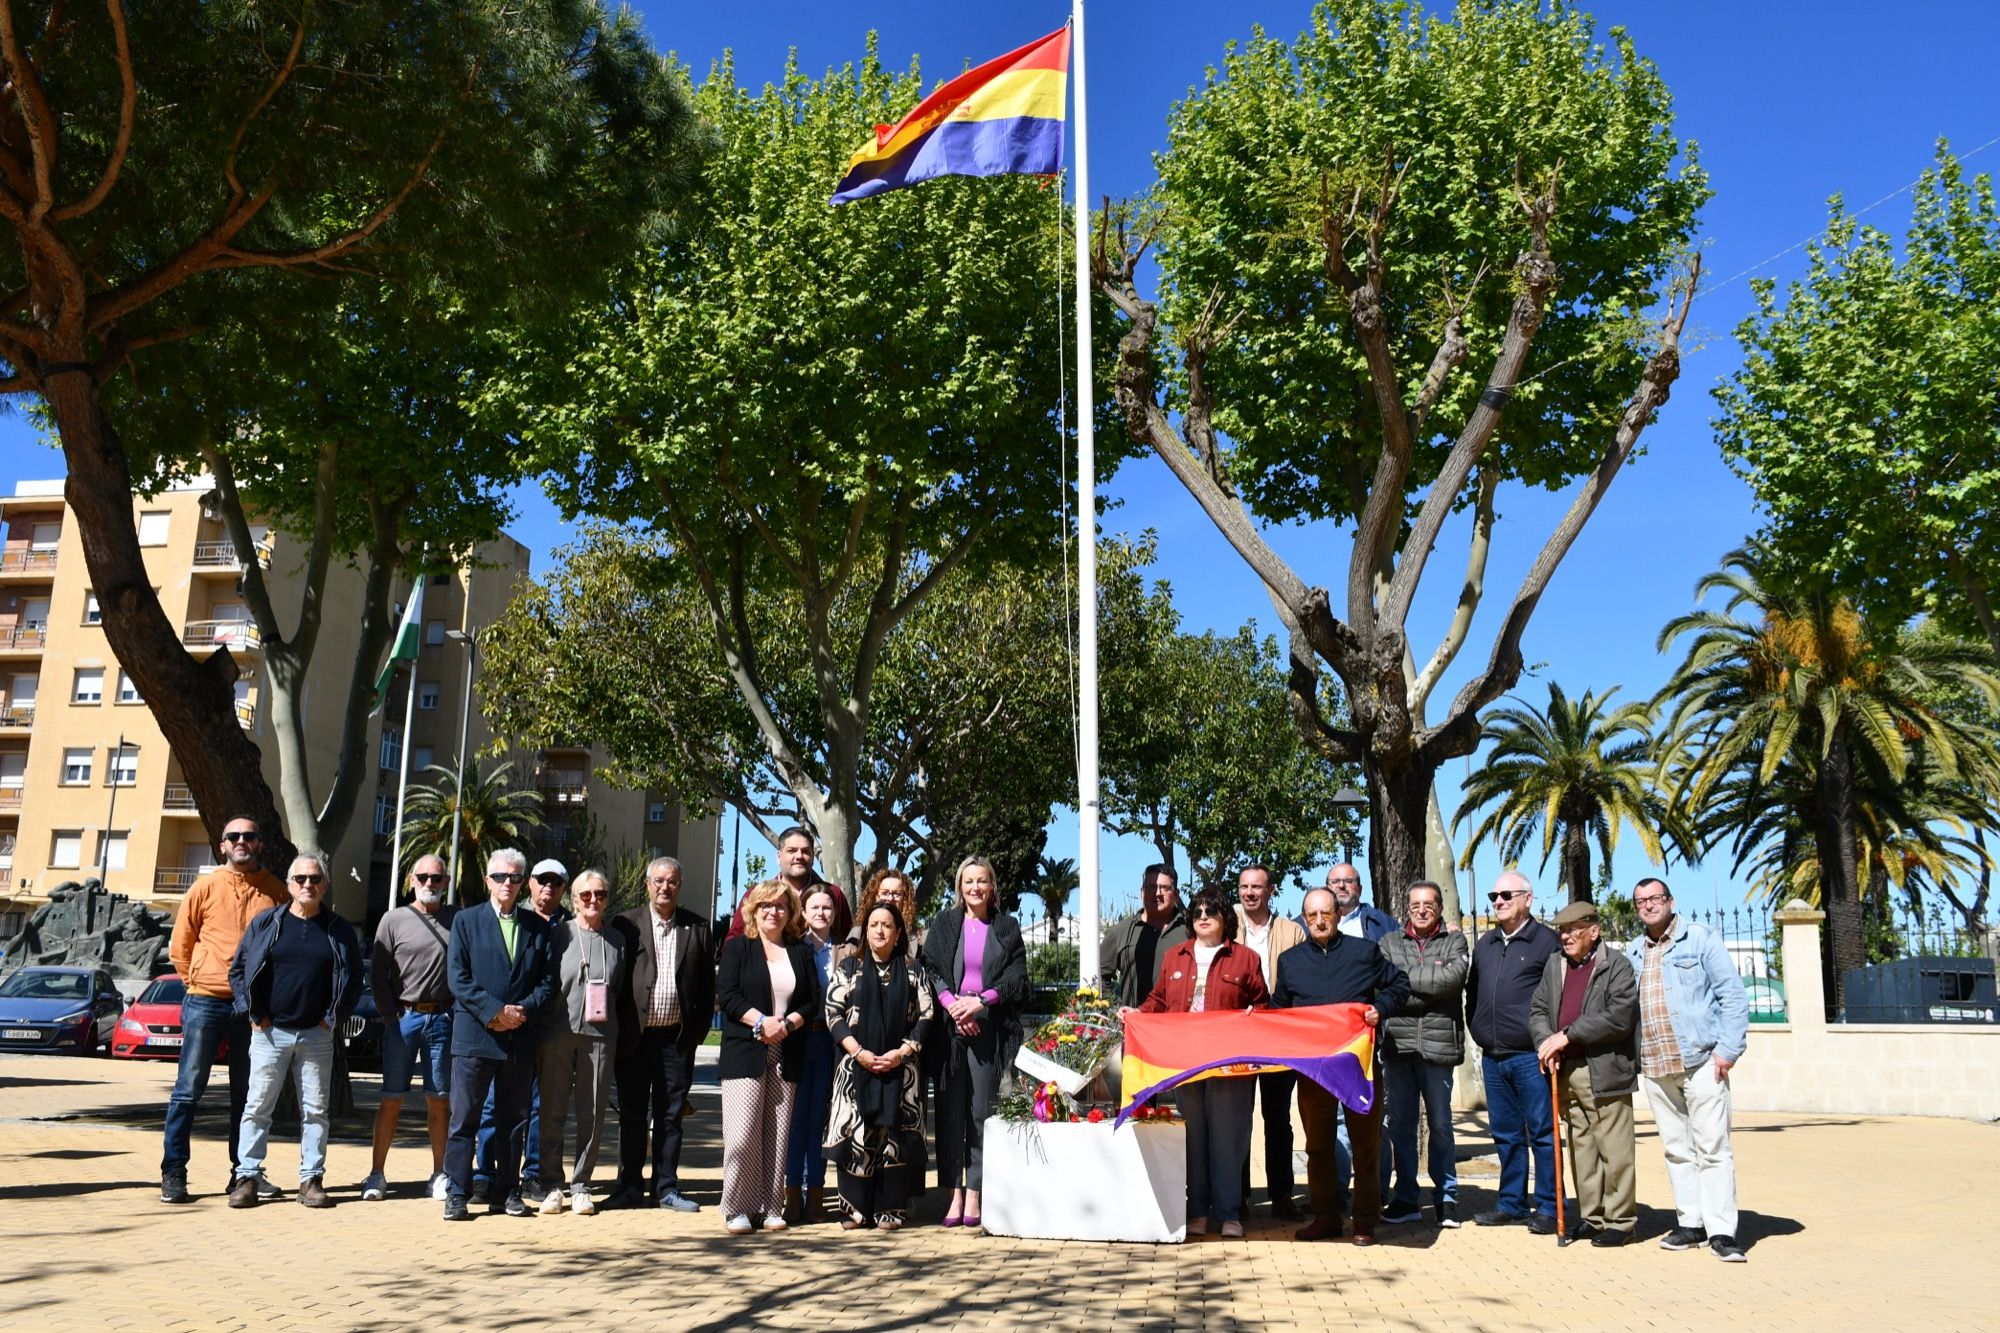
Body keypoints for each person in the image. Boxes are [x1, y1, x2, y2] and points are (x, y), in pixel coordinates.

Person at [160, 816, 287, 1205]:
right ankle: (174, 1173)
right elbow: (180, 946)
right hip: (206, 1000)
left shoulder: (276, 892)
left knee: (248, 1095)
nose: (241, 842)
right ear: (223, 845)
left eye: (249, 836)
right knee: (187, 1090)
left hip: (253, 1007)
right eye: (233, 836)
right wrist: (198, 980)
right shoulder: (205, 887)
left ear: (260, 844)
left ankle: (243, 1173)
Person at [1271, 886, 1409, 1245]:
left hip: (1356, 1067)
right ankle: (1326, 1217)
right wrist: (1259, 1020)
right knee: (1317, 1147)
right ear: (1304, 918)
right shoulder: (1290, 960)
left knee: (1365, 1146)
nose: (1319, 921)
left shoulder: (1364, 952)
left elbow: (1400, 983)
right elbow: (1279, 1010)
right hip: (1314, 1071)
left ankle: (1364, 1219)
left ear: (1337, 915)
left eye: (1326, 913)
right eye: (1312, 915)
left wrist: (1383, 1009)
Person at [225, 853, 364, 1209]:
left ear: (325, 885)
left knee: (316, 1110)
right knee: (256, 1107)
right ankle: (248, 1177)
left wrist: (332, 1019)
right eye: (300, 879)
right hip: (270, 1033)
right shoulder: (267, 923)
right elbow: (239, 970)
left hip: (317, 1035)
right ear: (289, 884)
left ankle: (311, 1179)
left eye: (315, 879)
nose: (308, 885)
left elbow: (353, 981)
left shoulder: (339, 930)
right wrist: (252, 1013)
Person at [1622, 877, 1750, 1262]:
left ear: (1670, 901)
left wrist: (1727, 1051)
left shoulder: (1699, 939)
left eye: (1654, 898)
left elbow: (1732, 995)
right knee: (1677, 1149)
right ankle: (1690, 1223)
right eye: (1641, 901)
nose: (1648, 905)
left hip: (1701, 1062)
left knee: (1713, 1148)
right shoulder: (1634, 951)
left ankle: (1722, 1231)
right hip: (1657, 1066)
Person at [1132, 885, 1268, 1239]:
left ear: (1226, 918)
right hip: (1184, 1061)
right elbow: (1157, 1000)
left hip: (1229, 1063)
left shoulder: (1246, 959)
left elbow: (1263, 1004)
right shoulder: (1175, 956)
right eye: (1197, 913)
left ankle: (1229, 1214)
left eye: (1211, 911)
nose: (1204, 917)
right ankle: (1197, 1212)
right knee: (1193, 1138)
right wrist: (1137, 1014)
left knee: (1228, 1137)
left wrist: (1257, 1014)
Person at [442, 849, 554, 1221]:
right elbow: (458, 977)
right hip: (475, 1036)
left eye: (516, 877)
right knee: (465, 1119)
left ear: (524, 884)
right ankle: (457, 1192)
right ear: (488, 880)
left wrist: (522, 1011)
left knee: (514, 1119)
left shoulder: (537, 927)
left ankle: (507, 1192)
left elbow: (547, 982)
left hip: (518, 1038)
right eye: (501, 876)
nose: (508, 883)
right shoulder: (466, 920)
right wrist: (494, 1012)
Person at [921, 855, 1027, 1230]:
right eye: (969, 881)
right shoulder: (945, 923)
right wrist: (953, 1006)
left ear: (992, 886)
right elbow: (930, 966)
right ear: (959, 887)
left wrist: (981, 1003)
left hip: (987, 1030)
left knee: (979, 1114)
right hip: (949, 1031)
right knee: (950, 1114)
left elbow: (1016, 975)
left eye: (982, 881)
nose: (975, 888)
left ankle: (977, 1191)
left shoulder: (1006, 926)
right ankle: (954, 1192)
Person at [717, 880, 823, 1234]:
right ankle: (736, 1207)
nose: (773, 911)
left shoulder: (799, 952)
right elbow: (728, 996)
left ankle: (769, 1206)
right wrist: (761, 1023)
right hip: (745, 1047)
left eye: (780, 906)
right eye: (766, 905)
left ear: (790, 912)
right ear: (753, 910)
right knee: (743, 1131)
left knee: (778, 1133)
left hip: (786, 1048)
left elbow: (812, 999)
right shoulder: (738, 949)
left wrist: (788, 1024)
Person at [609, 855, 714, 1212]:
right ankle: (629, 1187)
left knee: (670, 1116)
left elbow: (705, 989)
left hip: (675, 1040)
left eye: (671, 881)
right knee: (632, 1114)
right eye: (658, 881)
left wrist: (694, 1037)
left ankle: (666, 1187)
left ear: (679, 886)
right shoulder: (626, 924)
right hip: (635, 1038)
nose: (664, 887)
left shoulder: (697, 927)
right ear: (647, 885)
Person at [1532, 901, 1639, 1246]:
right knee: (1582, 1147)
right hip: (1566, 1070)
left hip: (1605, 1068)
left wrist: (1568, 1034)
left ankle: (1620, 1221)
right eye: (1562, 930)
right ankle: (1592, 1217)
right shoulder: (1554, 965)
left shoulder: (1616, 966)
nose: (1565, 936)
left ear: (1594, 932)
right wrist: (1546, 1042)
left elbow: (1619, 1017)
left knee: (1615, 1148)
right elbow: (1537, 1009)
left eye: (1573, 930)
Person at [824, 902, 935, 1230]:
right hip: (856, 1065)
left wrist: (903, 1051)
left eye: (887, 925)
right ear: (865, 930)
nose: (880, 931)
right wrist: (857, 1051)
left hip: (901, 1067)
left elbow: (928, 1014)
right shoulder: (849, 968)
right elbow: (832, 1012)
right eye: (874, 925)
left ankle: (891, 1208)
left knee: (894, 1136)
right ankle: (855, 1210)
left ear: (898, 932)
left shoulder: (914, 970)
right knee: (858, 1134)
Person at [1467, 869, 1561, 1233]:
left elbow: (1558, 996)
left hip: (1531, 1056)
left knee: (1542, 1133)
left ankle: (1551, 1207)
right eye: (1494, 897)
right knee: (1505, 1134)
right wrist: (1477, 1029)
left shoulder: (1546, 942)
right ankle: (1511, 1203)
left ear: (1528, 899)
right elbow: (1473, 992)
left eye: (1507, 895)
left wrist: (1549, 1040)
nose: (1499, 902)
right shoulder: (1485, 944)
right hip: (1493, 1056)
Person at [473, 857, 570, 1202]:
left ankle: (531, 1174)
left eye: (555, 883)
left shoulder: (569, 927)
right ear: (529, 883)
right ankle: (484, 1174)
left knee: (537, 1106)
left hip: (550, 1031)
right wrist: (504, 1013)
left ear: (563, 889)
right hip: (503, 1027)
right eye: (541, 880)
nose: (548, 887)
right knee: (490, 1105)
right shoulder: (512, 916)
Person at [363, 854, 457, 1203]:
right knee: (391, 1100)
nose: (430, 883)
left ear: (446, 882)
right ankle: (376, 1174)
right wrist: (391, 1016)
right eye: (423, 877)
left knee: (440, 1101)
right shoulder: (393, 920)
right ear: (412, 881)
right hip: (403, 1019)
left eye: (437, 877)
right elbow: (378, 973)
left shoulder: (456, 919)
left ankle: (439, 1173)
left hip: (443, 1021)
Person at [1376, 880, 1469, 1228]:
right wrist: (1431, 986)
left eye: (1428, 904)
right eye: (1415, 904)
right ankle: (1406, 1197)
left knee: (1441, 1125)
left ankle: (1446, 1197)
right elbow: (1385, 985)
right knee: (1400, 1125)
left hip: (1438, 1049)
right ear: (1407, 908)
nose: (1421, 910)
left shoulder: (1455, 940)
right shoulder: (1388, 943)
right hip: (1398, 1048)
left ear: (1440, 907)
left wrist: (1405, 982)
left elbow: (1453, 982)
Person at [535, 868, 627, 1216]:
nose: (593, 901)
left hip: (601, 1035)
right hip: (557, 1033)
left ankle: (582, 1184)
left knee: (592, 1111)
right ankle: (552, 1183)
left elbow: (618, 987)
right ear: (573, 900)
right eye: (585, 895)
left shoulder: (618, 939)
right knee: (552, 1111)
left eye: (599, 895)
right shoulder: (558, 934)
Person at [1234, 863, 1305, 1218]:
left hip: (1279, 1037)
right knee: (1238, 1118)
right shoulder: (1226, 925)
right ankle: (1239, 1197)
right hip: (1237, 1038)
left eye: (1257, 887)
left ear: (1270, 890)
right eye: (1244, 886)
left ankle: (1281, 1195)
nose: (1250, 893)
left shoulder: (1292, 931)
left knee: (1278, 1119)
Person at [783, 885, 841, 1224]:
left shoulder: (847, 950)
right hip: (799, 1040)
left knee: (820, 1121)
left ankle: (816, 1193)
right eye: (814, 907)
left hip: (831, 1042)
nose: (821, 912)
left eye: (827, 907)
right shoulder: (792, 948)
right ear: (803, 912)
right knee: (796, 1121)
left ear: (834, 913)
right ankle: (793, 1193)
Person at [726, 825, 853, 942]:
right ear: (778, 856)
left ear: (813, 857)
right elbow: (733, 944)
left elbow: (846, 941)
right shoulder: (756, 895)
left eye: (805, 851)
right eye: (792, 851)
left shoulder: (832, 895)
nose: (799, 856)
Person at [1100, 864, 1189, 1009]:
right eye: (1151, 887)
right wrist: (1116, 1009)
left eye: (1164, 888)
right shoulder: (1120, 932)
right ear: (1142, 892)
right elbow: (1099, 978)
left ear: (1176, 894)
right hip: (1135, 1027)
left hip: (1180, 1026)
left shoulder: (1190, 931)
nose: (1157, 893)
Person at [1326, 863, 1399, 942]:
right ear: (1326, 889)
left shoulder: (1385, 925)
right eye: (1335, 881)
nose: (1341, 885)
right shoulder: (1312, 924)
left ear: (1360, 890)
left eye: (1348, 881)